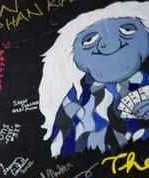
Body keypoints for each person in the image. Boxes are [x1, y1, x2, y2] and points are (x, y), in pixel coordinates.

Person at [39, 2, 149, 157]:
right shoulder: (75, 102)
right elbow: (68, 161)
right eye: (89, 39)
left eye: (127, 29)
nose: (111, 45)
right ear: (71, 55)